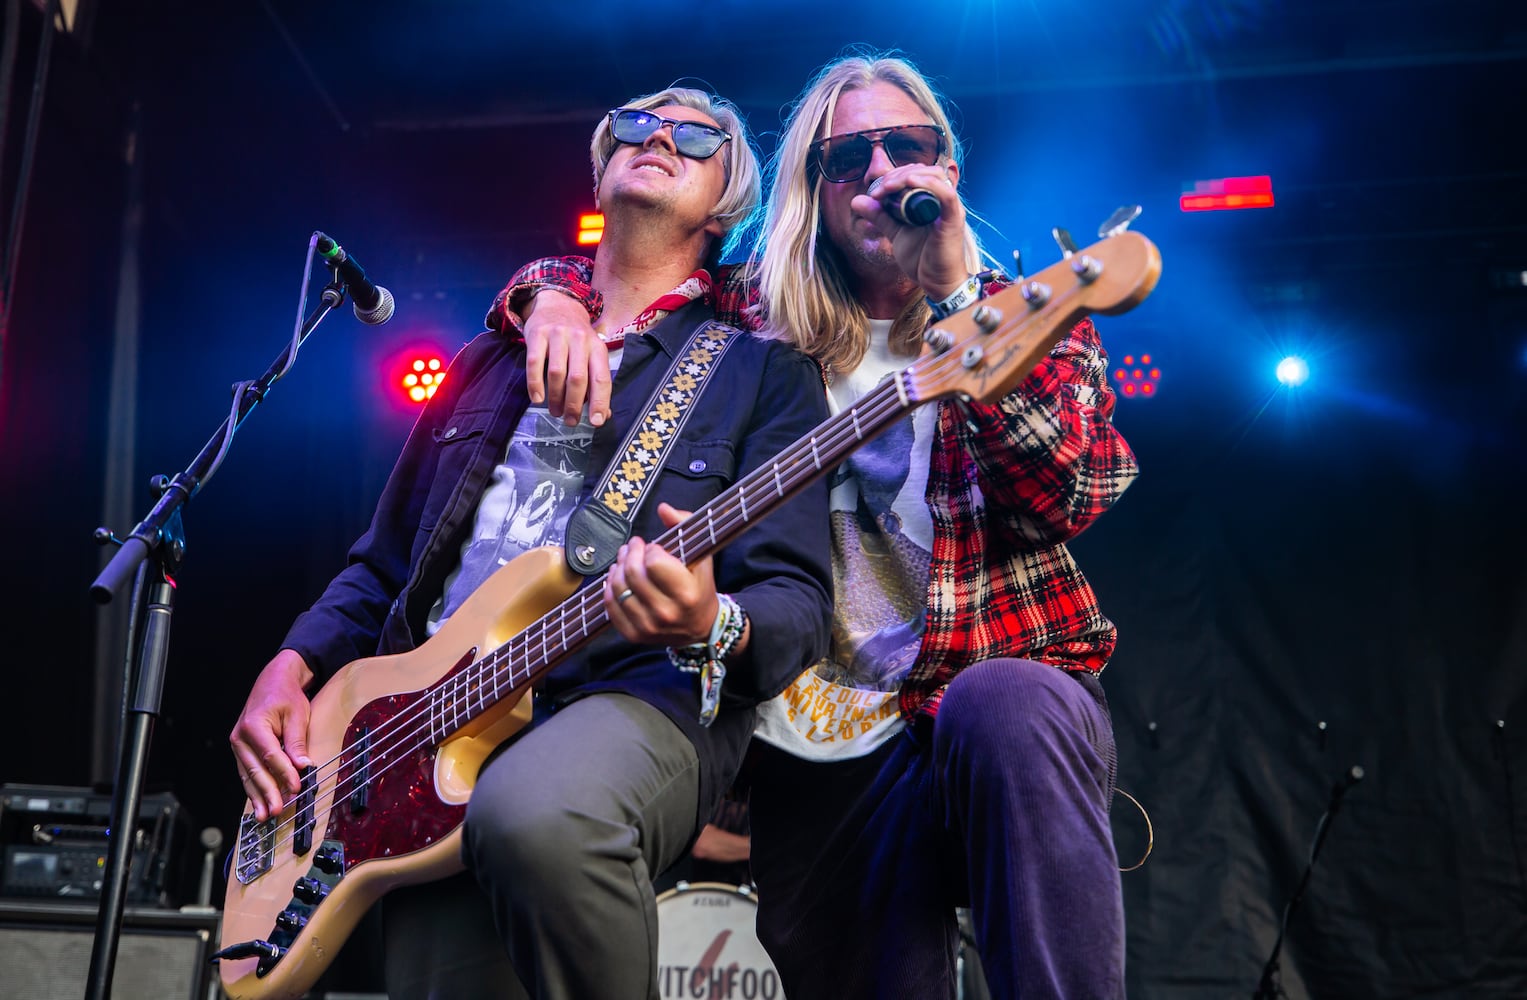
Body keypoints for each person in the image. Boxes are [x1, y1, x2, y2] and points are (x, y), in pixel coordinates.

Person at [499, 51, 1136, 1000]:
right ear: (816, 189)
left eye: (907, 147)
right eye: (850, 158)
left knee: (1011, 707)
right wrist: (549, 291)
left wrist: (959, 292)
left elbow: (1068, 490)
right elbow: (626, 269)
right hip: (809, 749)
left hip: (979, 691)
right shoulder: (746, 320)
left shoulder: (1025, 312)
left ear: (945, 171)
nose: (882, 174)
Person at [228, 86, 834, 999]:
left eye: (696, 134)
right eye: (636, 121)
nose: (659, 134)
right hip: (418, 726)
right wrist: (291, 665)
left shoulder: (759, 373)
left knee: (538, 812)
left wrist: (709, 620)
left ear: (727, 202)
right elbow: (384, 561)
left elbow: (797, 602)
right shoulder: (487, 358)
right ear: (600, 165)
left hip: (628, 696)